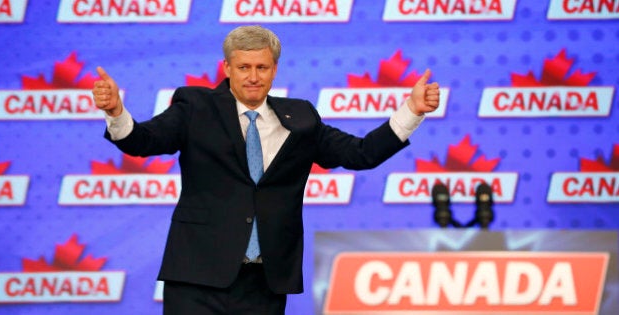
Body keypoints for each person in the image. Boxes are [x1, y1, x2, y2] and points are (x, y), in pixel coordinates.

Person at [92, 25, 440, 315]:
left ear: (274, 70)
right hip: (197, 278)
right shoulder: (195, 107)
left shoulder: (301, 117)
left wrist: (411, 111)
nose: (253, 77)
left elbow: (361, 153)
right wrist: (116, 113)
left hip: (265, 282)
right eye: (244, 67)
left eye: (262, 67)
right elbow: (144, 141)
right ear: (227, 68)